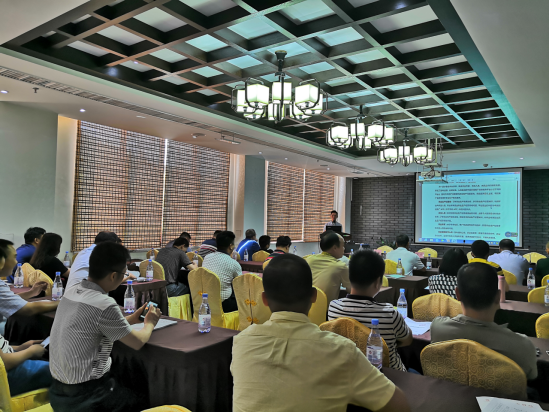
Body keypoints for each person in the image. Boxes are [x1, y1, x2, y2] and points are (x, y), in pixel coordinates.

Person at [231, 254, 411, 412]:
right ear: (314, 296)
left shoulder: (241, 342)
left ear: (264, 299)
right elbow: (399, 405)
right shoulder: (340, 350)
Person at [49, 242, 161, 412]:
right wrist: (150, 323)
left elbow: (92, 324)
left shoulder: (71, 291)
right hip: (86, 396)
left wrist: (131, 319)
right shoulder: (104, 303)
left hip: (57, 392)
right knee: (142, 396)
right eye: (124, 274)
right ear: (113, 276)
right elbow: (138, 342)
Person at [431, 262, 537, 380]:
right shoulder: (523, 346)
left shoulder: (437, 328)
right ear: (498, 296)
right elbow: (532, 377)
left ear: (458, 294)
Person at [328, 250, 413, 371]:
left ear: (349, 277)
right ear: (378, 282)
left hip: (349, 372)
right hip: (387, 375)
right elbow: (407, 340)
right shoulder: (389, 313)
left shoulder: (333, 307)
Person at [0, 239, 59, 396]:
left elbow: (10, 301)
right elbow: (4, 363)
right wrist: (30, 352)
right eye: (14, 257)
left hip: (8, 356)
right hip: (5, 375)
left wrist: (20, 347)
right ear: (1, 262)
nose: (16, 261)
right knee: (66, 372)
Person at [66, 231, 132, 290]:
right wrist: (128, 275)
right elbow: (111, 280)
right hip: (88, 293)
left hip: (69, 294)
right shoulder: (102, 255)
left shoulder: (82, 252)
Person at [203, 231, 243, 312]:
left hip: (206, 300)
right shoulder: (233, 263)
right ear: (230, 246)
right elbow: (241, 285)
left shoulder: (207, 257)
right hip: (223, 304)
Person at [306, 231, 351, 303]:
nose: (344, 249)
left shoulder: (307, 259)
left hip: (305, 306)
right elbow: (351, 290)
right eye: (343, 246)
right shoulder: (340, 266)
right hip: (326, 309)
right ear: (335, 248)